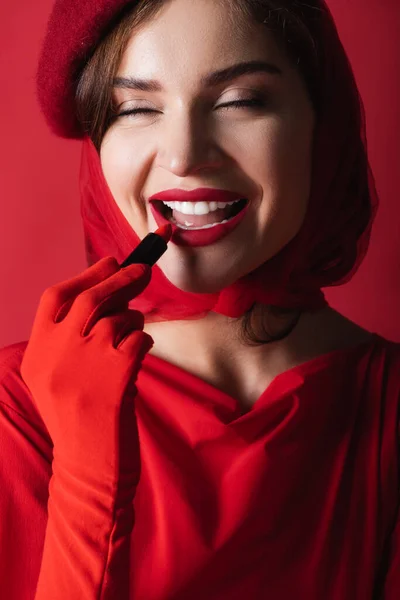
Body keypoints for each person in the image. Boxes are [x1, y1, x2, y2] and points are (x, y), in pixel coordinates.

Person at [0, 0, 399, 598]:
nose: (184, 155)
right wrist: (85, 473)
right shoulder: (20, 405)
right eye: (136, 108)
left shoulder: (387, 406)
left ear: (324, 128)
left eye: (240, 100)